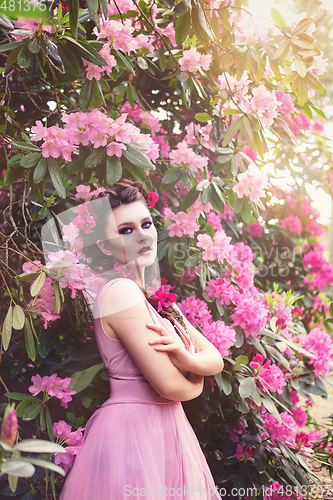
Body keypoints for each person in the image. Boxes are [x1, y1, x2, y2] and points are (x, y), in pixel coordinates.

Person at [59, 179, 224, 500]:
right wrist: (197, 379)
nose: (142, 235)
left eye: (146, 224)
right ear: (105, 246)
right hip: (135, 432)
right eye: (125, 230)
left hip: (163, 428)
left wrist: (186, 359)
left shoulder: (157, 298)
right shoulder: (121, 293)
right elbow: (170, 387)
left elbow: (215, 358)